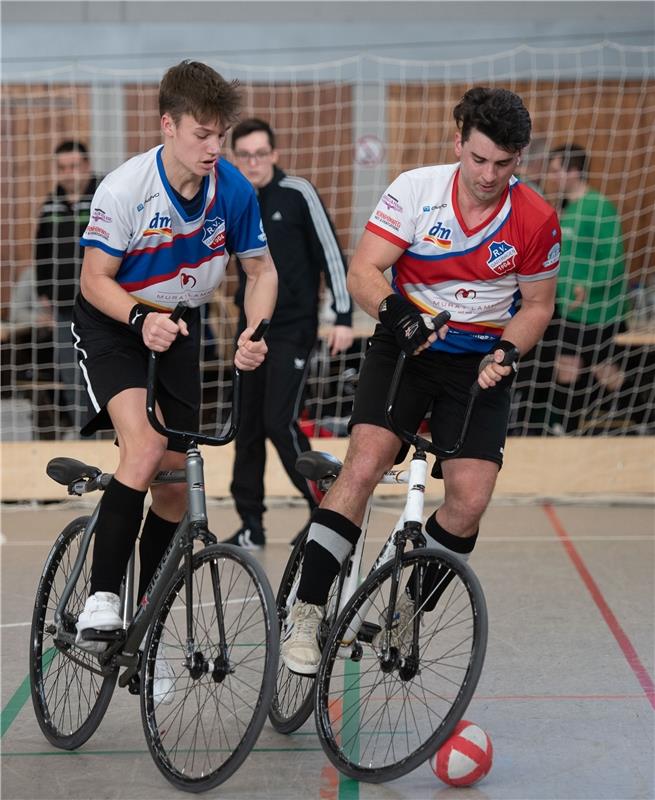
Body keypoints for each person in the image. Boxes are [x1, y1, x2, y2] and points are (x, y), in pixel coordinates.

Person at [280, 86, 561, 675]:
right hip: (406, 344)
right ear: (458, 142)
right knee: (364, 465)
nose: (487, 174)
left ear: (520, 159)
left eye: (503, 164)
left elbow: (536, 305)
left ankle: (408, 603)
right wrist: (397, 313)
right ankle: (305, 611)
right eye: (477, 158)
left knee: (470, 498)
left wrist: (508, 351)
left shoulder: (535, 218)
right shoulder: (415, 191)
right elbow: (362, 271)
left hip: (479, 363)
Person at [71, 61, 278, 702]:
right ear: (168, 124)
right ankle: (102, 597)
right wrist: (140, 316)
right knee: (145, 447)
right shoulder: (126, 188)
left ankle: (148, 630)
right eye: (202, 134)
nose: (214, 148)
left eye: (221, 135)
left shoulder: (234, 191)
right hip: (117, 324)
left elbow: (262, 271)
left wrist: (255, 331)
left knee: (173, 493)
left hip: (182, 329)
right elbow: (93, 280)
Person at [224, 118, 353, 550]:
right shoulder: (234, 198)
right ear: (234, 158)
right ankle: (250, 524)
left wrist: (342, 316)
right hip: (251, 332)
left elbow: (330, 253)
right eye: (243, 155)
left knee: (280, 421)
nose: (253, 162)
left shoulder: (298, 193)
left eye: (260, 154)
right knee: (246, 428)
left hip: (295, 329)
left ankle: (327, 510)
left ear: (274, 155)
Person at [545, 143, 629, 433]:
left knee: (605, 371)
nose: (552, 176)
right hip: (570, 309)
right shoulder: (564, 208)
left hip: (599, 310)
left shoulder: (599, 206)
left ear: (575, 171)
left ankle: (643, 417)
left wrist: (587, 286)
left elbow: (615, 260)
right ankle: (563, 427)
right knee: (566, 367)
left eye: (557, 170)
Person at [35, 141, 99, 432]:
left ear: (86, 166)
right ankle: (82, 431)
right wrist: (43, 292)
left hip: (99, 306)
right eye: (62, 168)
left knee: (99, 371)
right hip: (62, 308)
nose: (69, 173)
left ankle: (107, 432)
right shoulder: (51, 205)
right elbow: (42, 250)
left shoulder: (103, 198)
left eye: (74, 166)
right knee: (69, 371)